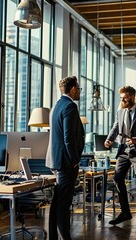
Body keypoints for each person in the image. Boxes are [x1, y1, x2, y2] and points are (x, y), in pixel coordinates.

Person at [104, 85, 136, 230]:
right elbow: (116, 127)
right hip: (123, 152)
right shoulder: (120, 111)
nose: (122, 100)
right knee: (117, 178)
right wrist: (109, 139)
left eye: (124, 97)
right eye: (121, 98)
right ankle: (125, 213)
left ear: (132, 97)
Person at [46, 76, 84, 240]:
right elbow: (68, 137)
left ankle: (54, 236)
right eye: (79, 89)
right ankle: (65, 237)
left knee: (57, 202)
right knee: (63, 204)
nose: (79, 92)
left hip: (56, 160)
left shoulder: (56, 105)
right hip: (66, 162)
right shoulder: (70, 106)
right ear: (73, 88)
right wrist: (75, 159)